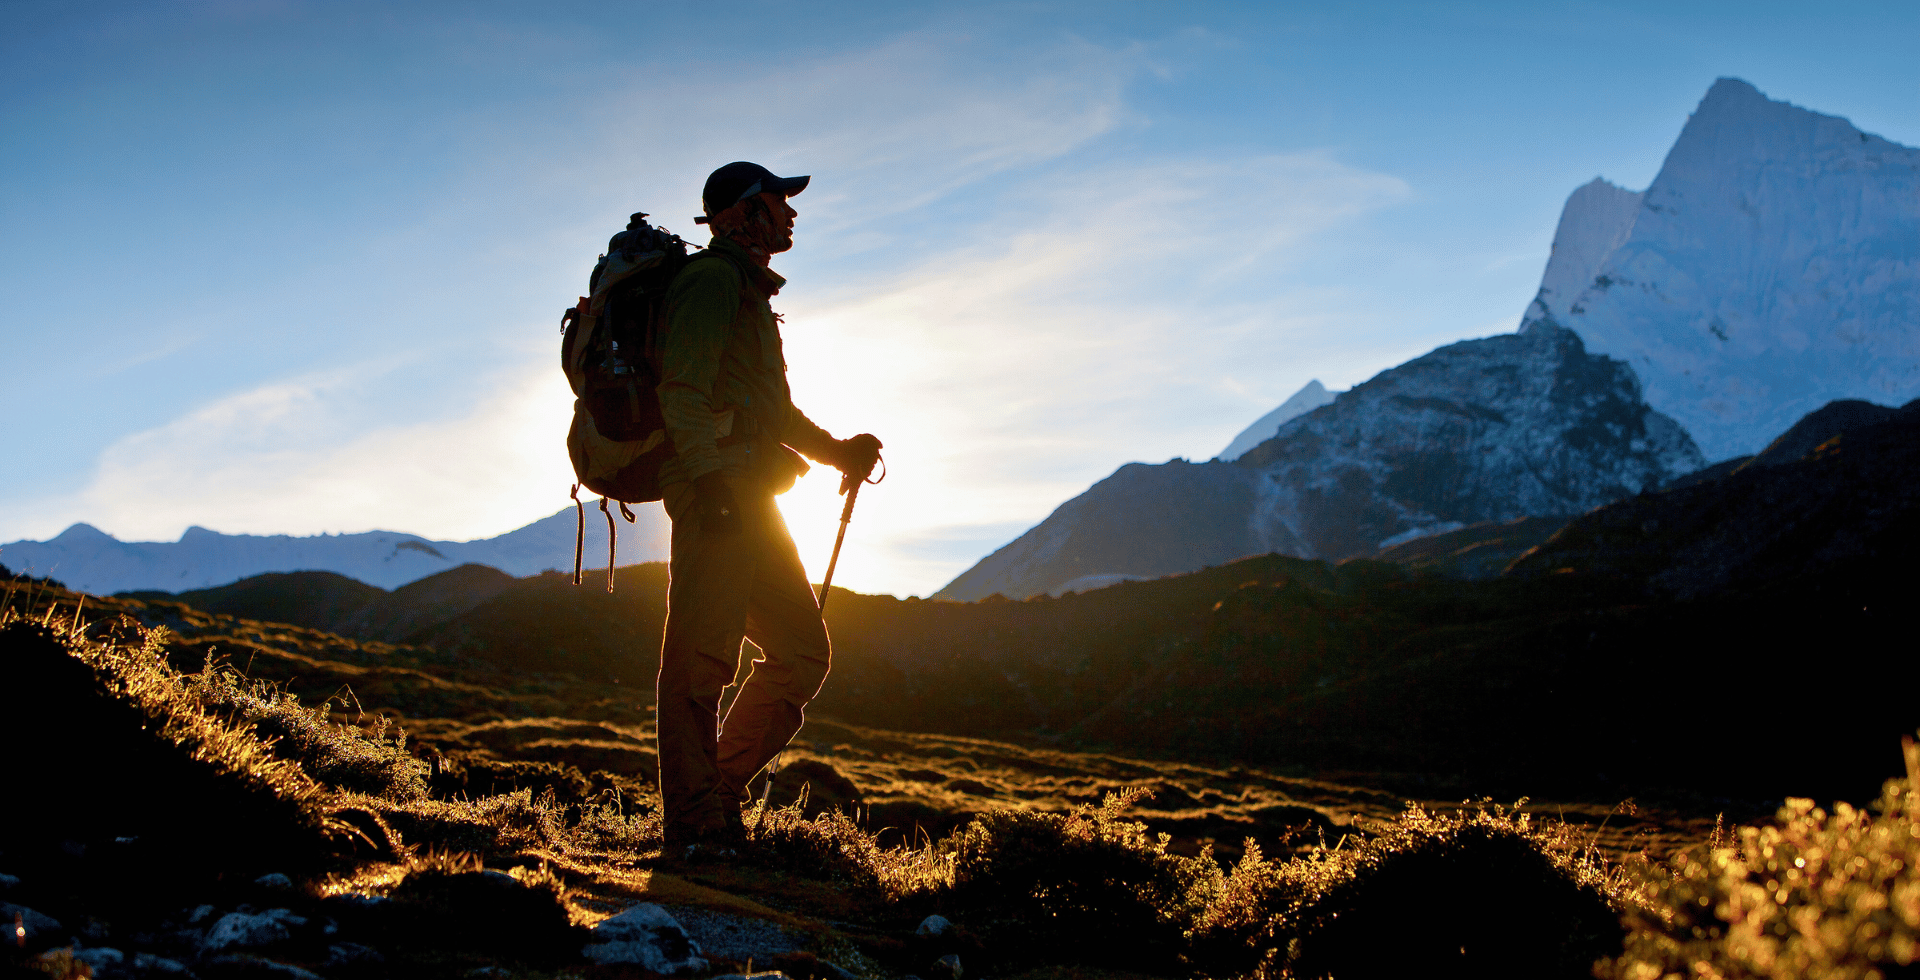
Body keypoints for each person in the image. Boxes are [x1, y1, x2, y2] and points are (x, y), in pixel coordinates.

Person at [653, 161, 881, 848]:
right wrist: (713, 486)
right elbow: (682, 392)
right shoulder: (711, 283)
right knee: (701, 659)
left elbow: (771, 413)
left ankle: (716, 800)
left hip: (750, 496)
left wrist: (840, 452)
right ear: (740, 216)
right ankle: (696, 827)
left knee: (802, 653)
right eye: (777, 201)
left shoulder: (747, 296)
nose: (791, 212)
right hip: (718, 493)